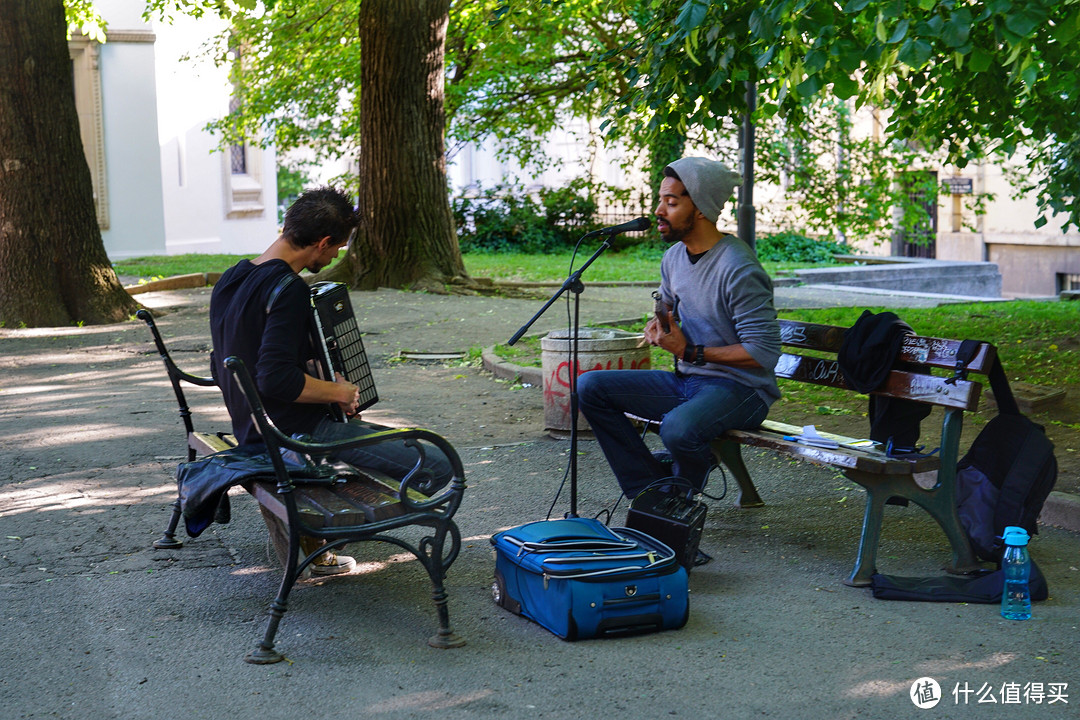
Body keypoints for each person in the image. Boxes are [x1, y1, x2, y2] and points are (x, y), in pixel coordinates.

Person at [209, 186, 453, 574]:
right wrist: (339, 390)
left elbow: (243, 357)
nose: (337, 254)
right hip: (294, 435)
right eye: (337, 247)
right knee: (438, 465)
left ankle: (315, 542)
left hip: (251, 428)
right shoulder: (288, 289)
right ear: (322, 243)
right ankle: (341, 522)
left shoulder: (233, 277)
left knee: (377, 441)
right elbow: (275, 379)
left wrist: (321, 378)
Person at [577, 157, 781, 500]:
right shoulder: (674, 257)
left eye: (671, 203)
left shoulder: (738, 267)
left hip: (741, 390)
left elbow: (764, 352)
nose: (659, 210)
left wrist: (690, 351)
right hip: (688, 381)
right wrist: (659, 324)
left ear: (700, 208)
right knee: (590, 386)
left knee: (678, 428)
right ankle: (651, 490)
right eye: (661, 200)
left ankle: (679, 492)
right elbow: (667, 310)